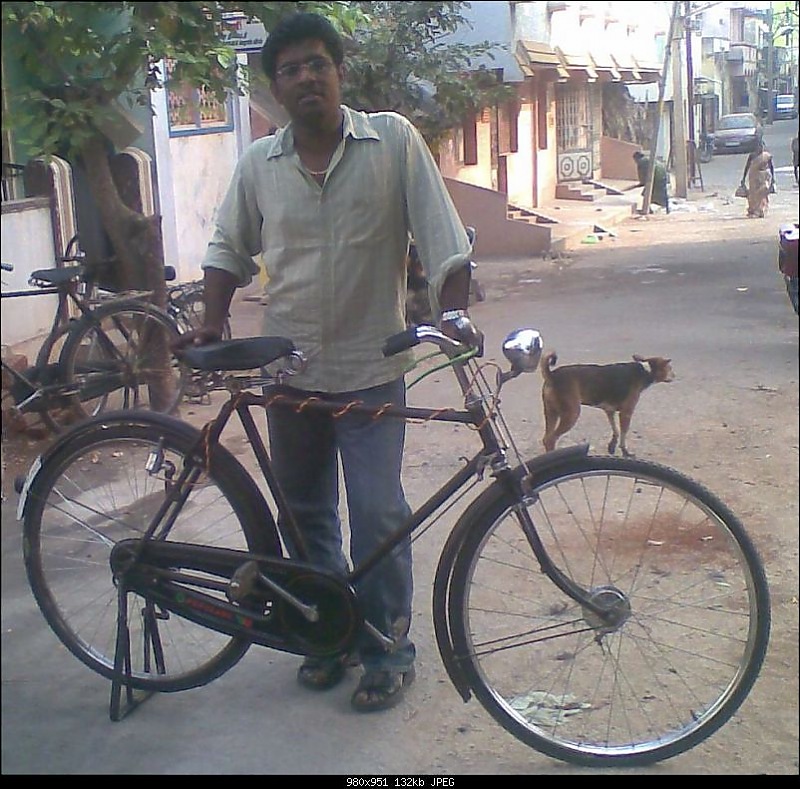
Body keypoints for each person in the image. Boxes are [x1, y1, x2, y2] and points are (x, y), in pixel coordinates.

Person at [174, 13, 479, 713]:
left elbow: (442, 240)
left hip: (372, 369)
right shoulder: (259, 165)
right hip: (288, 374)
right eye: (290, 69)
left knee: (378, 516)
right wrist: (212, 318)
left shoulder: (393, 142)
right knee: (306, 513)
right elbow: (226, 247)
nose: (307, 76)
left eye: (318, 63)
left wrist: (452, 312)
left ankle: (386, 648)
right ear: (276, 88)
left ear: (339, 72)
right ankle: (327, 636)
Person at [740, 140, 775, 218]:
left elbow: (771, 167)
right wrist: (743, 178)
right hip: (754, 177)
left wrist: (773, 179)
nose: (761, 148)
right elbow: (747, 167)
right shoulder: (752, 156)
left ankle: (761, 210)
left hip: (764, 177)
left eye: (762, 146)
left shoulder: (767, 156)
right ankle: (754, 210)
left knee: (763, 192)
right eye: (759, 147)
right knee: (754, 195)